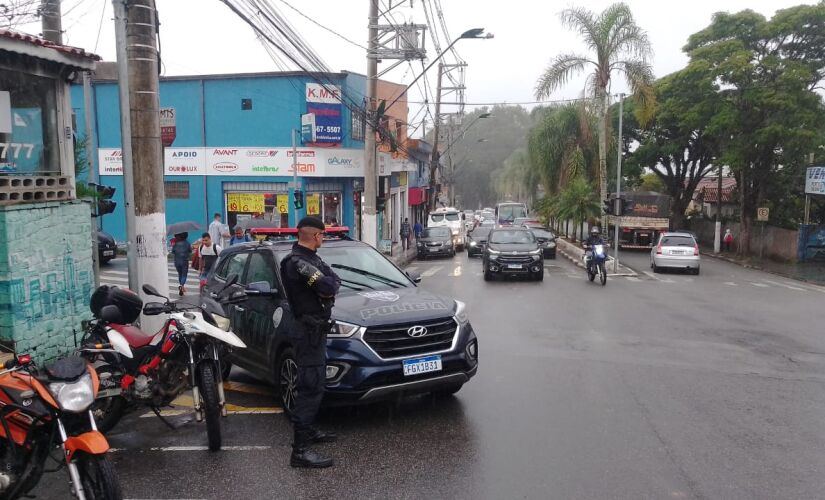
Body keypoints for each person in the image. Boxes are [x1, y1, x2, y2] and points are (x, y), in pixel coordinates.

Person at [280, 216, 340, 468]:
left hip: (316, 331)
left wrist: (330, 285)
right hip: (307, 331)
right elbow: (327, 285)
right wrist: (329, 285)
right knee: (310, 386)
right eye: (322, 235)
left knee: (315, 383)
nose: (323, 239)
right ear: (315, 235)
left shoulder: (311, 259)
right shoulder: (298, 263)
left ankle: (309, 431)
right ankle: (300, 451)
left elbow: (334, 281)